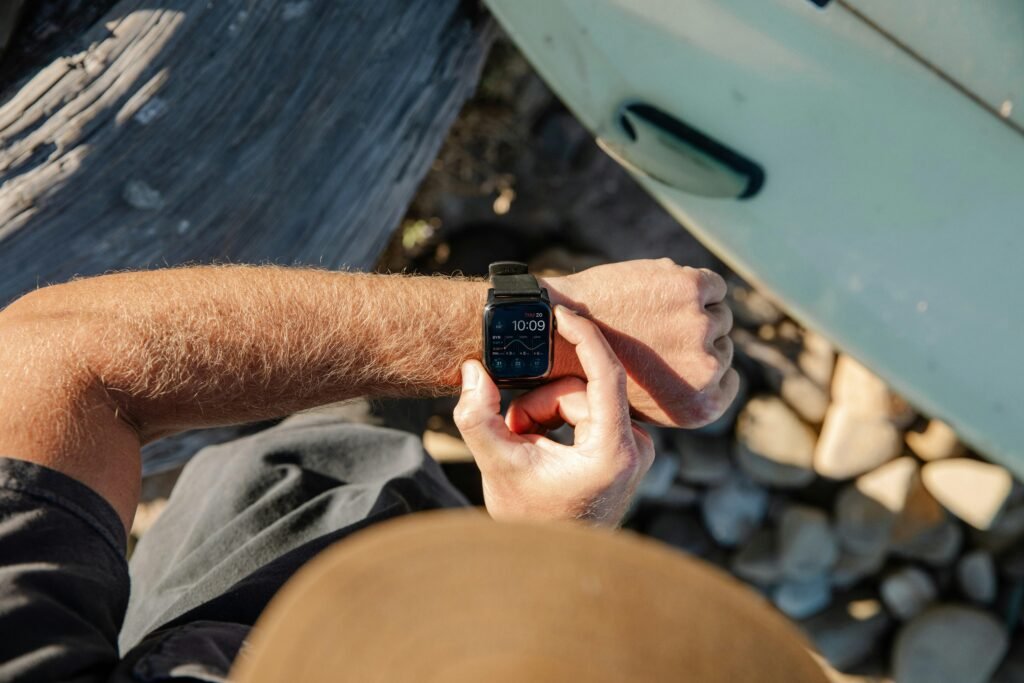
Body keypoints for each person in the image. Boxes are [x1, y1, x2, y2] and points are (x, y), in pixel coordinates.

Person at [0, 258, 756, 680]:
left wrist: (538, 327)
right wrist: (550, 549)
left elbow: (48, 360)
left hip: (249, 543)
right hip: (445, 578)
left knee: (315, 462)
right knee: (349, 463)